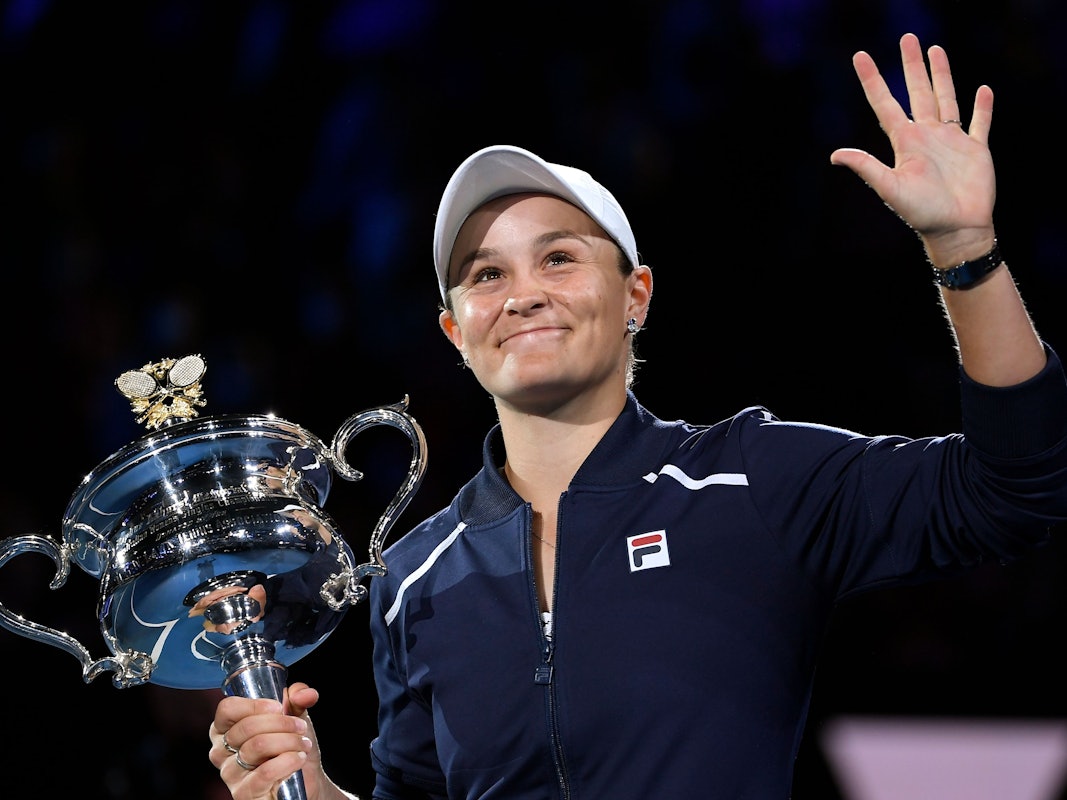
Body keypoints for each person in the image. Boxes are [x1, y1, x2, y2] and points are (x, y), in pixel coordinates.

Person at [207, 32, 1067, 799]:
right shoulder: (412, 575)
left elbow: (1014, 487)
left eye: (558, 257)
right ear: (453, 333)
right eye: (484, 275)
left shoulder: (749, 479)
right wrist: (312, 790)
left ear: (635, 297)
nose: (523, 295)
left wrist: (963, 250)